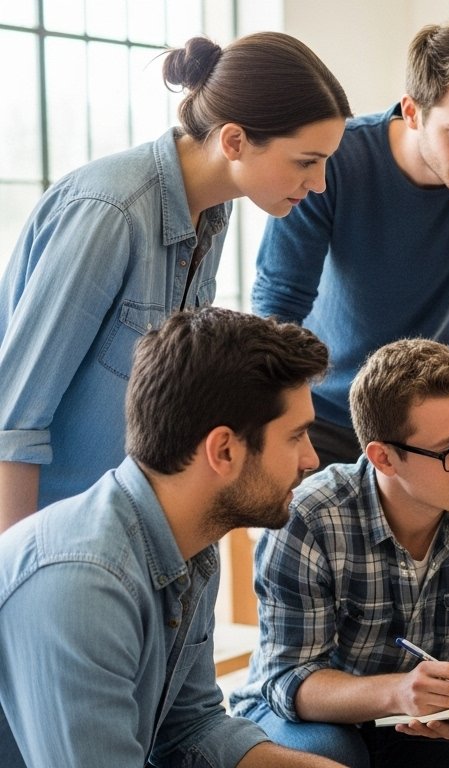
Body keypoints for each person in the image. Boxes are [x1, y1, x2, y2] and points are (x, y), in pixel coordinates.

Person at [0, 32, 350, 533]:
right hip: (62, 535)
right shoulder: (109, 213)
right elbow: (12, 421)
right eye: (306, 162)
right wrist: (19, 577)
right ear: (234, 141)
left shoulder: (214, 210)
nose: (319, 184)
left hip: (140, 526)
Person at [251, 14, 449, 509]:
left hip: (432, 425)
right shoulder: (333, 160)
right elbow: (278, 304)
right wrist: (269, 432)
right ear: (413, 111)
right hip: (324, 416)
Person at [0, 307, 340, 768]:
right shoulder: (84, 584)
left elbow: (191, 726)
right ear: (223, 450)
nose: (311, 459)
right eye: (296, 436)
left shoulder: (192, 543)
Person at [230, 338, 449, 768]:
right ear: (383, 458)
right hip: (309, 716)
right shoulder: (311, 517)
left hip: (425, 712)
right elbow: (289, 678)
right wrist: (398, 691)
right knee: (332, 755)